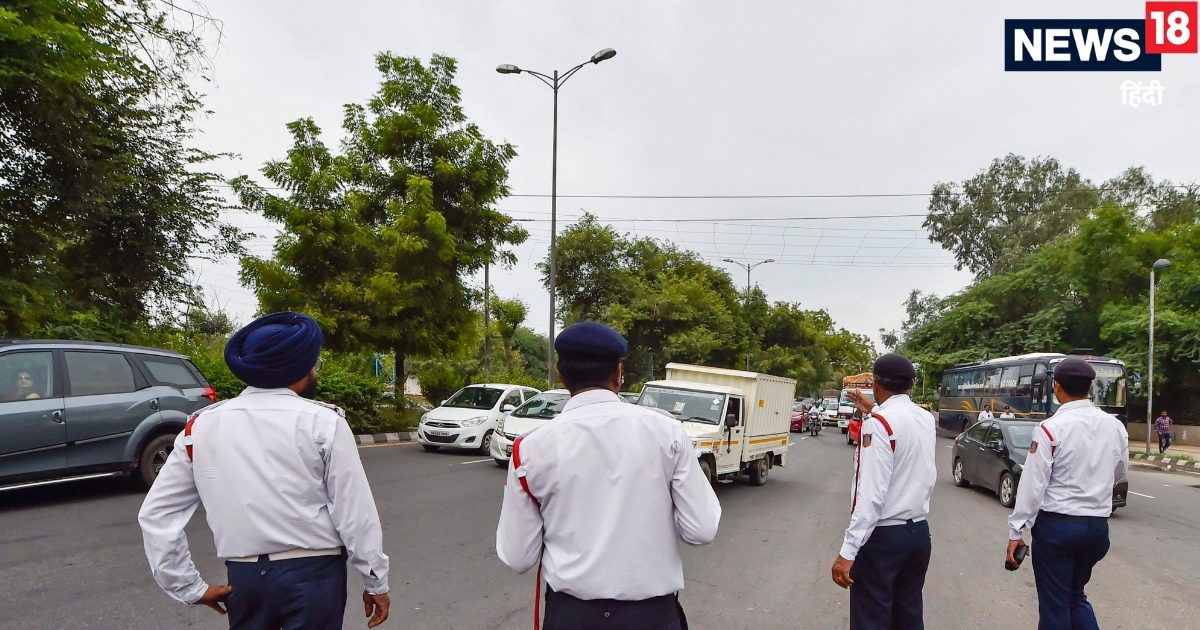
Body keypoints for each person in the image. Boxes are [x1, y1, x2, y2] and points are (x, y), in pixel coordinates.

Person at [138, 312, 391, 629]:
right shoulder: (324, 422)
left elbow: (157, 515)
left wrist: (189, 588)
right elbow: (355, 513)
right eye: (313, 364)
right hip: (314, 579)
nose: (314, 371)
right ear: (298, 369)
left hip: (246, 582)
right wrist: (375, 581)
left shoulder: (200, 428)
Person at [496, 322, 721, 629]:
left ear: (561, 377)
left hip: (571, 618)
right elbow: (701, 530)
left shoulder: (531, 448)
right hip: (652, 618)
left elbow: (518, 557)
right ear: (617, 373)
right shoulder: (666, 433)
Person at [1006, 358, 1128, 630]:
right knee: (1076, 596)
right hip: (1097, 529)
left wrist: (1017, 532)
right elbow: (1119, 472)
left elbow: (1032, 486)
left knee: (1055, 605)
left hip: (1058, 529)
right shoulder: (1115, 426)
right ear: (1090, 388)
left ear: (1056, 387)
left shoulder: (1051, 428)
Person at [831, 353, 937, 630]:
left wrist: (848, 551)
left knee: (871, 619)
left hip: (883, 538)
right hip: (917, 534)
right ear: (911, 384)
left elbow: (869, 496)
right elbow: (899, 430)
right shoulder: (925, 419)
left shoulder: (878, 424)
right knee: (908, 616)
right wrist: (872, 411)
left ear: (876, 385)